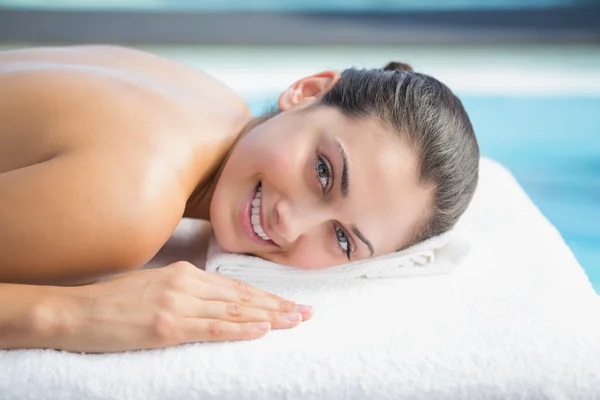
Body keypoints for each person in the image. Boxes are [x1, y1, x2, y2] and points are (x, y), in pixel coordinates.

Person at [0, 45, 479, 353]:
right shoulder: (132, 203)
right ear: (307, 91)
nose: (289, 225)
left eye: (342, 239)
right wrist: (71, 314)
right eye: (322, 171)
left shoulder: (209, 96)